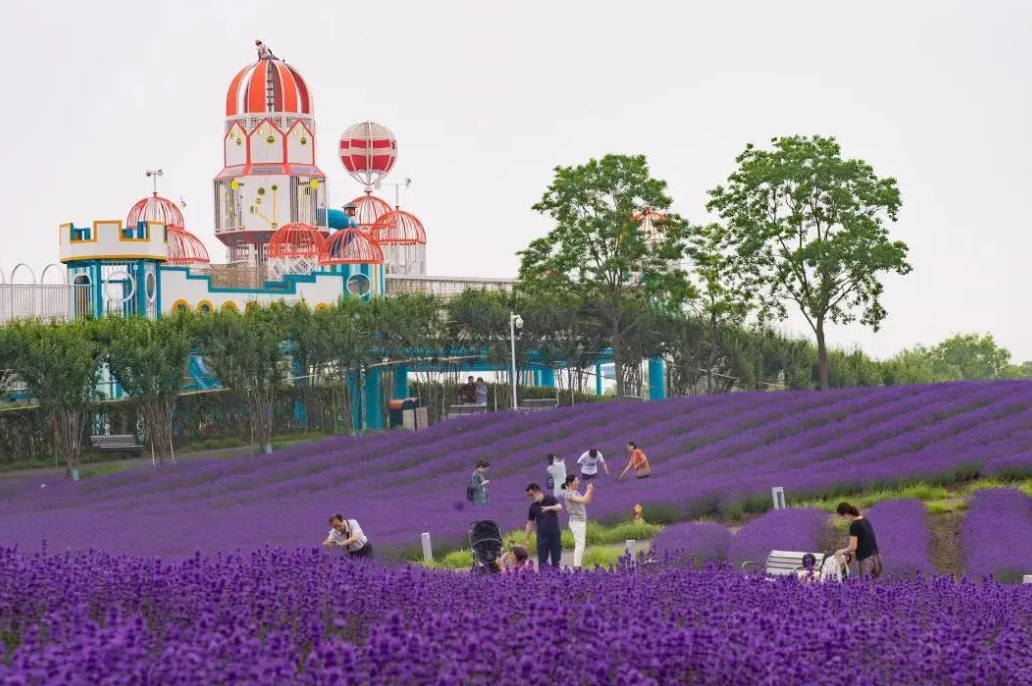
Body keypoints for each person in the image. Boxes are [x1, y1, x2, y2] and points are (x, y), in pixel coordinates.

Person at [835, 502, 882, 579]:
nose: (844, 519)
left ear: (846, 514)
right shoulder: (865, 521)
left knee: (865, 588)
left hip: (866, 561)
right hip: (877, 558)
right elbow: (867, 541)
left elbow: (853, 546)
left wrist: (841, 551)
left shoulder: (854, 525)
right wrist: (850, 552)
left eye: (843, 517)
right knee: (875, 588)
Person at [525, 483, 563, 569]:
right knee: (542, 563)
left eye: (531, 495)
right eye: (528, 496)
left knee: (556, 562)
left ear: (537, 491)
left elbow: (559, 507)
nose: (530, 498)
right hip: (542, 537)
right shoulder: (533, 507)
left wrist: (548, 508)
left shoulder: (550, 499)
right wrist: (526, 539)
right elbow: (530, 523)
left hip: (554, 536)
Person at [562, 474, 593, 569]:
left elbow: (587, 501)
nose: (578, 483)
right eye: (576, 481)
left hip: (581, 521)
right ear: (569, 483)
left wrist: (589, 491)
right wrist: (588, 490)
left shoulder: (576, 492)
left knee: (581, 544)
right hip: (576, 522)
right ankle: (577, 567)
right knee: (580, 544)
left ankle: (577, 566)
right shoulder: (568, 494)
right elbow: (583, 500)